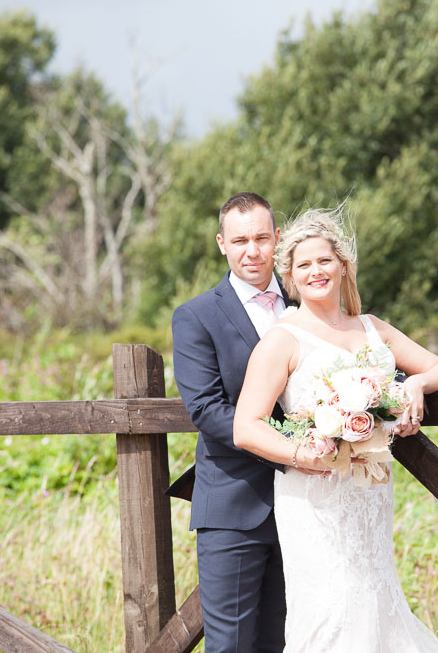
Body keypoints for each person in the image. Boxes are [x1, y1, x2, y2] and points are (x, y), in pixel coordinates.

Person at [233, 207, 438, 651]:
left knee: (376, 598)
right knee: (330, 612)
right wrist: (304, 455)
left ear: (342, 266)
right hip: (314, 496)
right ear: (291, 278)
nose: (316, 271)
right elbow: (246, 427)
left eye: (324, 261)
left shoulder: (373, 329)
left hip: (370, 490)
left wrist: (414, 382)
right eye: (304, 265)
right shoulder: (282, 339)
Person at [170, 192, 313, 652]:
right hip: (234, 505)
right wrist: (298, 443)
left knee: (290, 640)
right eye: (239, 240)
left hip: (310, 503)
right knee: (231, 645)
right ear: (222, 244)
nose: (252, 251)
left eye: (261, 238)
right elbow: (207, 410)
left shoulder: (309, 302)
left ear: (277, 239)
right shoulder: (196, 316)